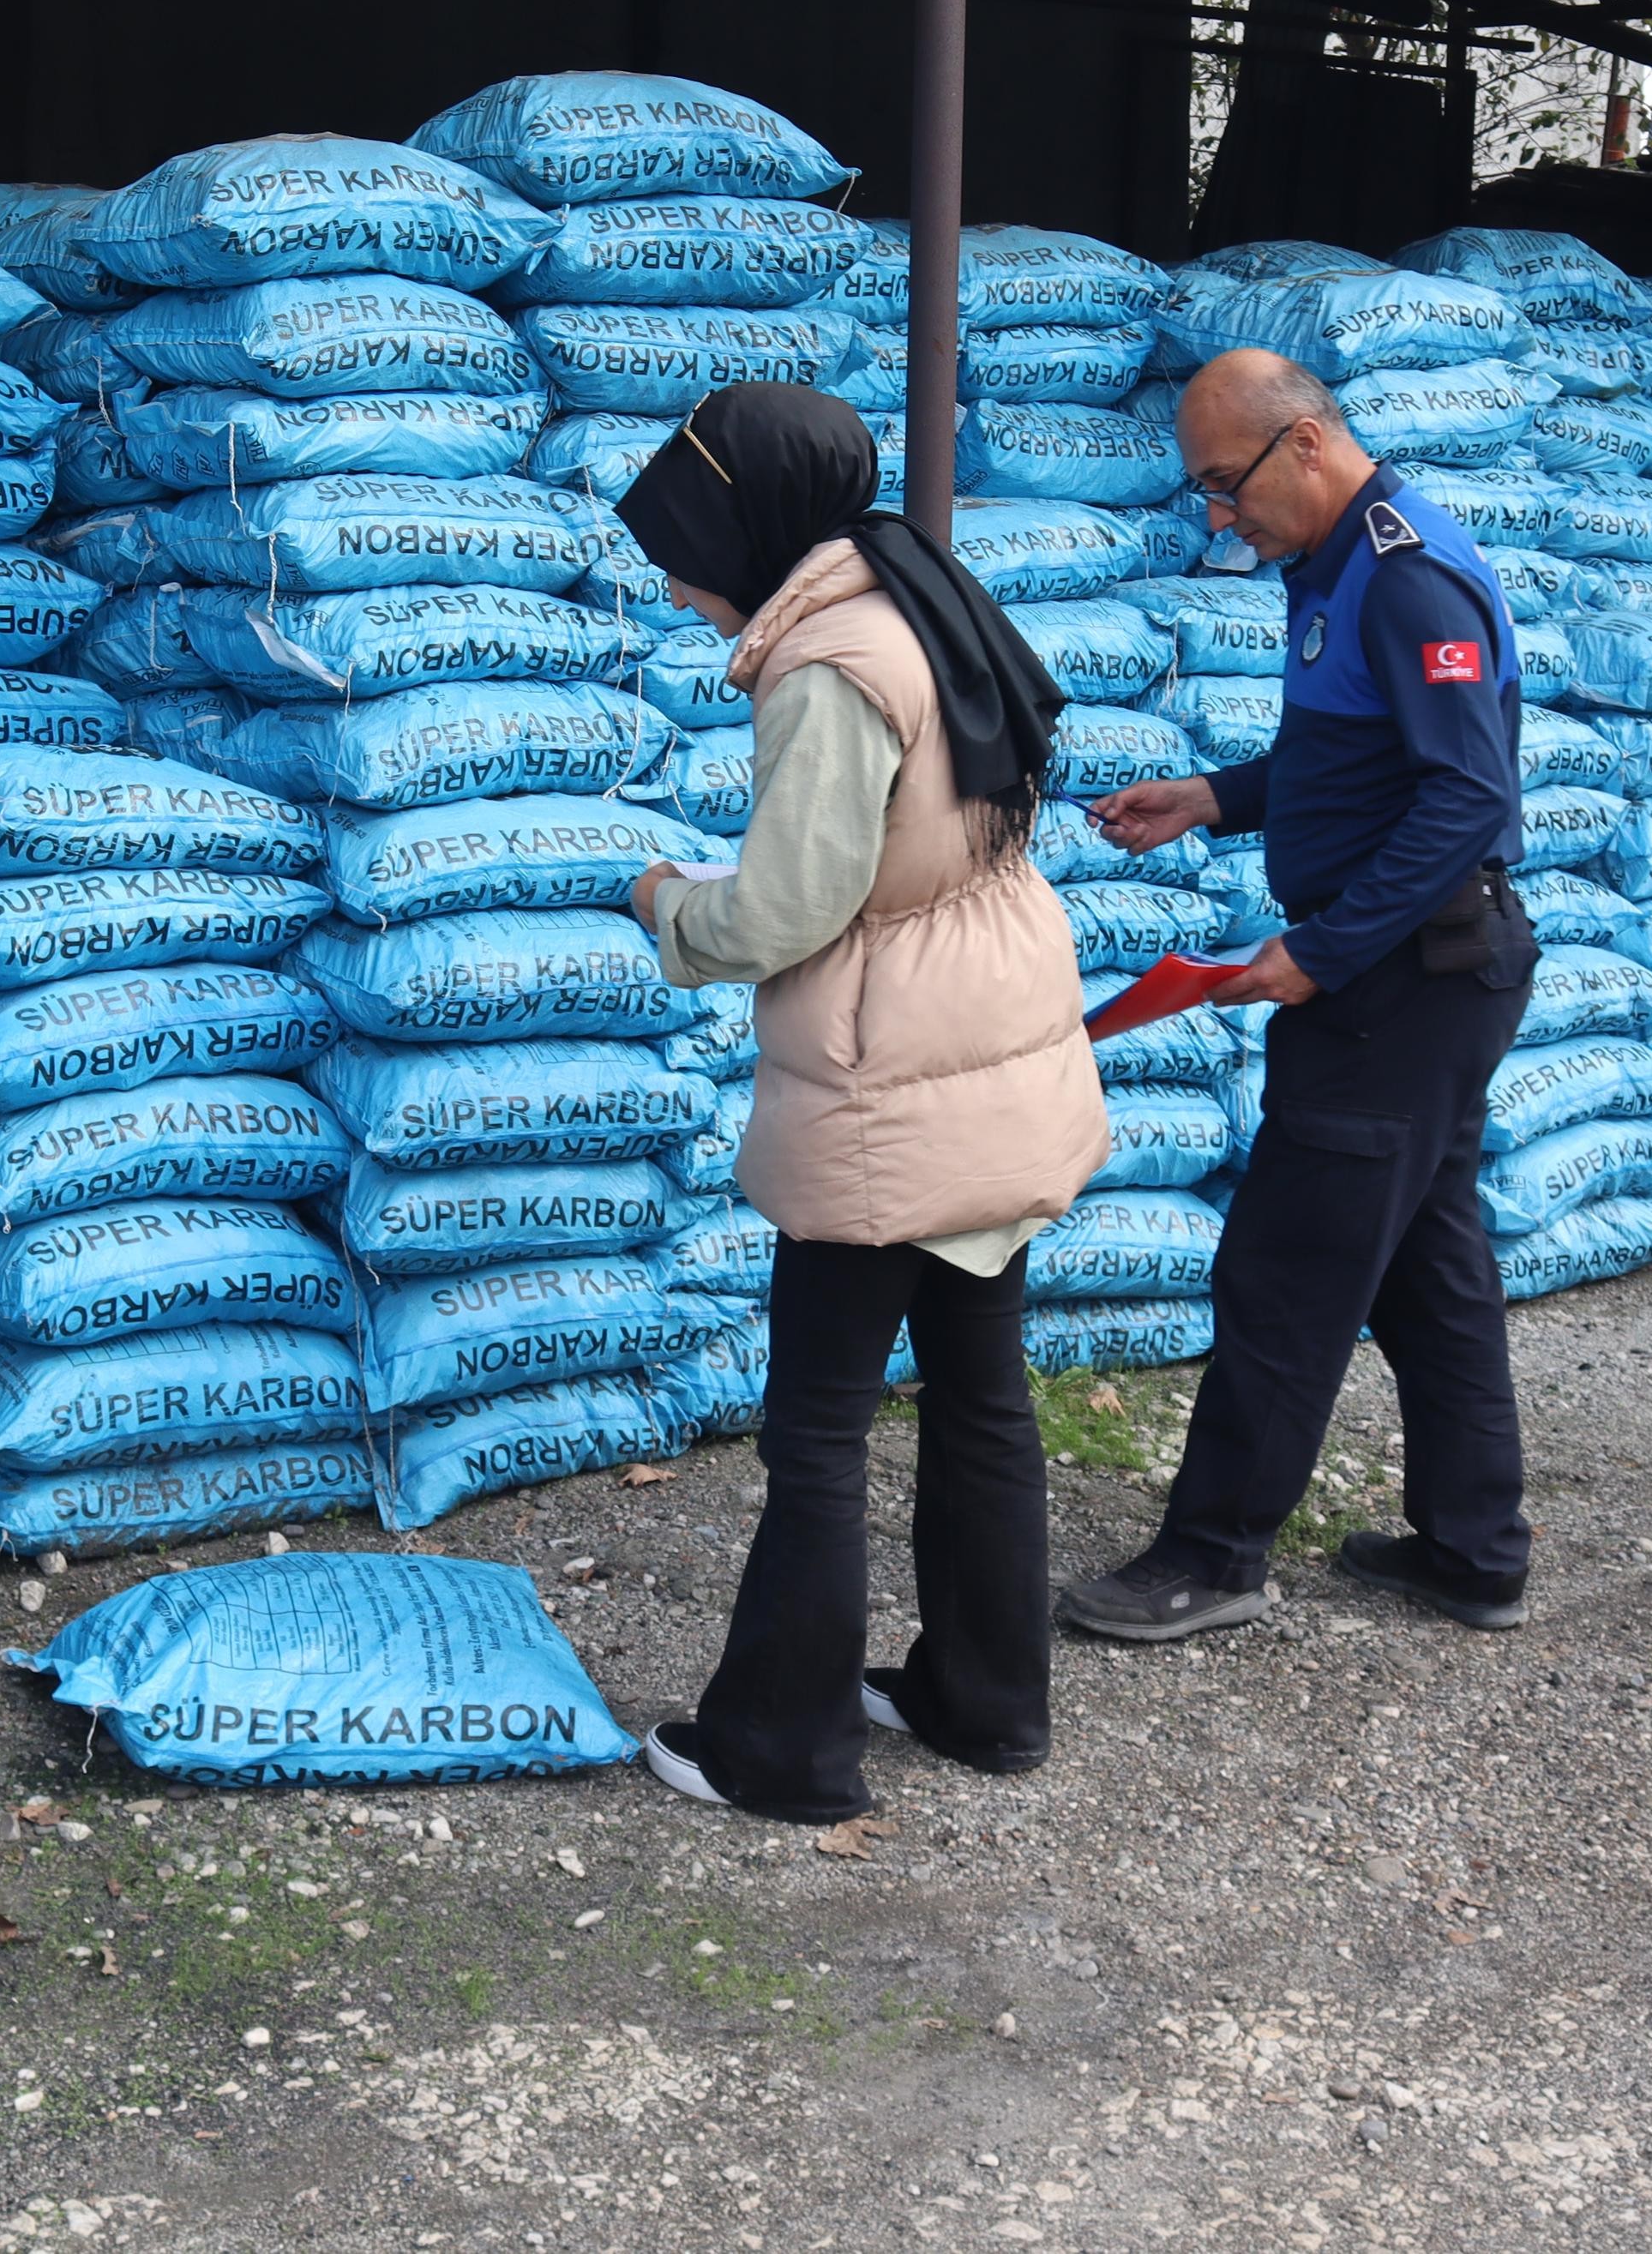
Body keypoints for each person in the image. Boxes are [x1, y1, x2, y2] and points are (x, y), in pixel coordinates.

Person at [610, 382, 1110, 1823]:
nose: (677, 580)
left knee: (817, 1428)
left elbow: (790, 904)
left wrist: (664, 902)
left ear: (743, 525)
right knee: (980, 1392)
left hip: (893, 1071)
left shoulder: (828, 663)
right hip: (998, 1037)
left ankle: (779, 1748)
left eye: (683, 546)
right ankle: (986, 1699)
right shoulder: (920, 594)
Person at [1059, 346, 1540, 1644]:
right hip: (1418, 972)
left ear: (1308, 445)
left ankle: (1213, 1555)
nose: (1221, 514)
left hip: (1403, 980)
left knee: (1285, 1268)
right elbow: (1355, 757)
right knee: (1430, 1271)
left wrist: (1326, 953)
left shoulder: (1404, 578)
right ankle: (1473, 1549)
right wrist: (1216, 796)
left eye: (1227, 482)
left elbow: (1466, 795)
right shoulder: (1337, 570)